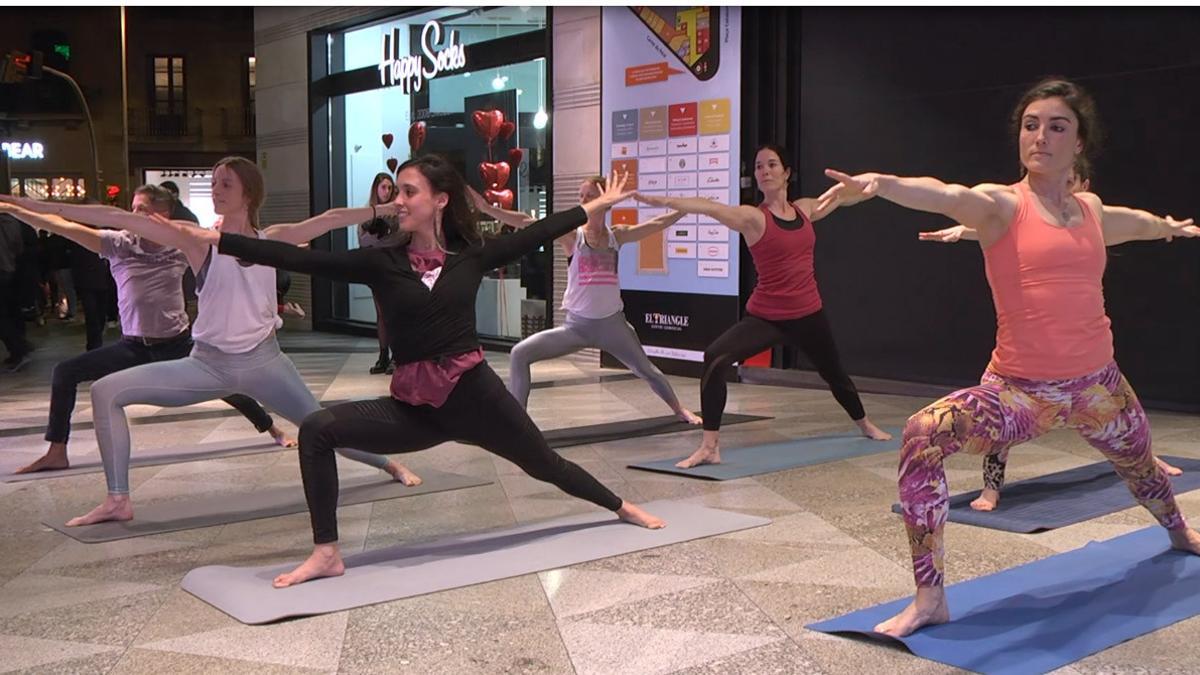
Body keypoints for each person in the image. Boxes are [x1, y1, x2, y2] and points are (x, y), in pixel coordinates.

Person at [153, 156, 666, 588]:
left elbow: (537, 232)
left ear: (440, 200)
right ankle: (327, 553)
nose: (398, 200)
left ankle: (621, 506)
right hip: (415, 407)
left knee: (546, 466)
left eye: (408, 191)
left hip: (474, 397)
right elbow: (292, 257)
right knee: (317, 429)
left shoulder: (472, 256)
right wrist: (223, 241)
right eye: (397, 191)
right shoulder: (382, 262)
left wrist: (593, 207)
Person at [818, 77, 1200, 637]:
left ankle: (1179, 533)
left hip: (1100, 389)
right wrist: (881, 183)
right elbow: (945, 193)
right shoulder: (1001, 206)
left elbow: (1134, 222)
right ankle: (931, 598)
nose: (1040, 136)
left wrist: (1168, 228)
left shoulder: (1090, 210)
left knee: (1144, 470)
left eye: (1056, 126)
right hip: (1020, 395)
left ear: (1078, 144)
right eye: (1030, 125)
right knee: (924, 433)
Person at [0, 156, 421, 526]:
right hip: (206, 364)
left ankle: (388, 463)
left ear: (249, 194)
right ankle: (117, 499)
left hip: (266, 364)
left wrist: (384, 207)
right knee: (108, 391)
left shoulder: (270, 239)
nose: (216, 190)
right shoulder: (197, 240)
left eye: (226, 184)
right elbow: (115, 217)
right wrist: (29, 205)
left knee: (322, 425)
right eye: (214, 182)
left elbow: (328, 219)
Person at [921, 159, 1182, 511]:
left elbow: (1137, 223)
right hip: (1021, 366)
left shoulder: (1088, 217)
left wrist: (1166, 227)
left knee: (1125, 420)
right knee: (1000, 430)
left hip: (1085, 366)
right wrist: (963, 231)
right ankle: (991, 489)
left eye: (1072, 182)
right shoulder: (1027, 211)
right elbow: (1000, 224)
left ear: (1082, 184)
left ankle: (1148, 462)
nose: (1066, 188)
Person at [0, 185, 302, 474]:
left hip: (177, 343)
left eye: (142, 210)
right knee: (65, 372)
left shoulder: (181, 245)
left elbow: (239, 250)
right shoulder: (117, 243)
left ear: (163, 216)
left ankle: (272, 429)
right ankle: (56, 452)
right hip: (132, 346)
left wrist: (284, 251)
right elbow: (62, 225)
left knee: (231, 388)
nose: (134, 215)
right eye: (132, 208)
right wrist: (14, 208)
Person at [634, 144, 893, 469]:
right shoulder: (753, 217)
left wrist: (871, 187)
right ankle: (710, 446)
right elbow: (707, 207)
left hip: (808, 313)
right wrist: (662, 200)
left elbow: (842, 198)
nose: (765, 171)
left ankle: (865, 424)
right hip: (767, 316)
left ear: (786, 173)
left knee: (835, 373)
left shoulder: (804, 210)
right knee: (715, 356)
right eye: (759, 167)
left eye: (772, 165)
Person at [471, 177, 701, 424]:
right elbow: (528, 222)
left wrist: (690, 208)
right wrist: (488, 209)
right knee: (519, 353)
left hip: (613, 326)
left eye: (589, 196)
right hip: (577, 327)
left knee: (647, 371)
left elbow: (657, 223)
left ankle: (679, 409)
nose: (583, 201)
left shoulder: (617, 236)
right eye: (581, 196)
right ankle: (518, 426)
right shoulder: (572, 236)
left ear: (606, 200)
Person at [358, 172, 402, 374]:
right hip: (375, 268)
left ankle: (396, 356)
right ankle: (383, 355)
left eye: (390, 188)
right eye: (383, 187)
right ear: (376, 188)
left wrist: (380, 238)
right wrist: (375, 235)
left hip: (393, 267)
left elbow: (399, 239)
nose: (387, 192)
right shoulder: (368, 212)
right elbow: (362, 241)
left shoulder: (396, 212)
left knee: (394, 313)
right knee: (381, 315)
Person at [0, 213, 32, 372]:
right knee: (10, 310)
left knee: (3, 316)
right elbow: (17, 246)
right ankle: (20, 347)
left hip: (3, 268)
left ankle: (18, 350)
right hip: (9, 268)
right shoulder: (11, 221)